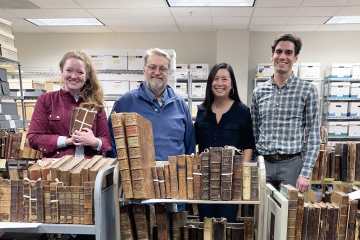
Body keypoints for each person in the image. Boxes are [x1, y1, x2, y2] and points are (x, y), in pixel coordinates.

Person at [251, 33, 320, 193]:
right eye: (279, 52)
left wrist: (306, 172)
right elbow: (255, 131)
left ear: (295, 58)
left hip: (292, 165)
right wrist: (256, 161)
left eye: (288, 53)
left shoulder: (308, 91)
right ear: (272, 55)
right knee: (260, 214)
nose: (283, 57)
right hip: (263, 165)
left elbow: (313, 135)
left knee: (289, 214)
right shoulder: (259, 91)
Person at [106, 48, 195, 161]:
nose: (157, 72)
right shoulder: (125, 103)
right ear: (144, 70)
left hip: (173, 176)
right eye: (152, 67)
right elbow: (111, 143)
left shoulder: (180, 104)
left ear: (168, 72)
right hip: (137, 176)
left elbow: (190, 145)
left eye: (162, 68)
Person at [194, 63, 255, 222]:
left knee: (226, 223)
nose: (219, 83)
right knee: (205, 223)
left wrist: (240, 174)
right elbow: (195, 143)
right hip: (205, 179)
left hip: (230, 180)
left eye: (224, 79)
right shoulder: (202, 110)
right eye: (215, 79)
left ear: (232, 84)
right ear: (210, 83)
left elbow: (249, 145)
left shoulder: (242, 111)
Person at [28, 50, 112, 159]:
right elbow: (34, 139)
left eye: (80, 72)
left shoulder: (96, 104)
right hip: (56, 170)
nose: (74, 76)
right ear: (62, 71)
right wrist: (67, 141)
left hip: (90, 170)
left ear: (86, 76)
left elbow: (107, 141)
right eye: (69, 70)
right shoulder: (46, 100)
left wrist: (93, 141)